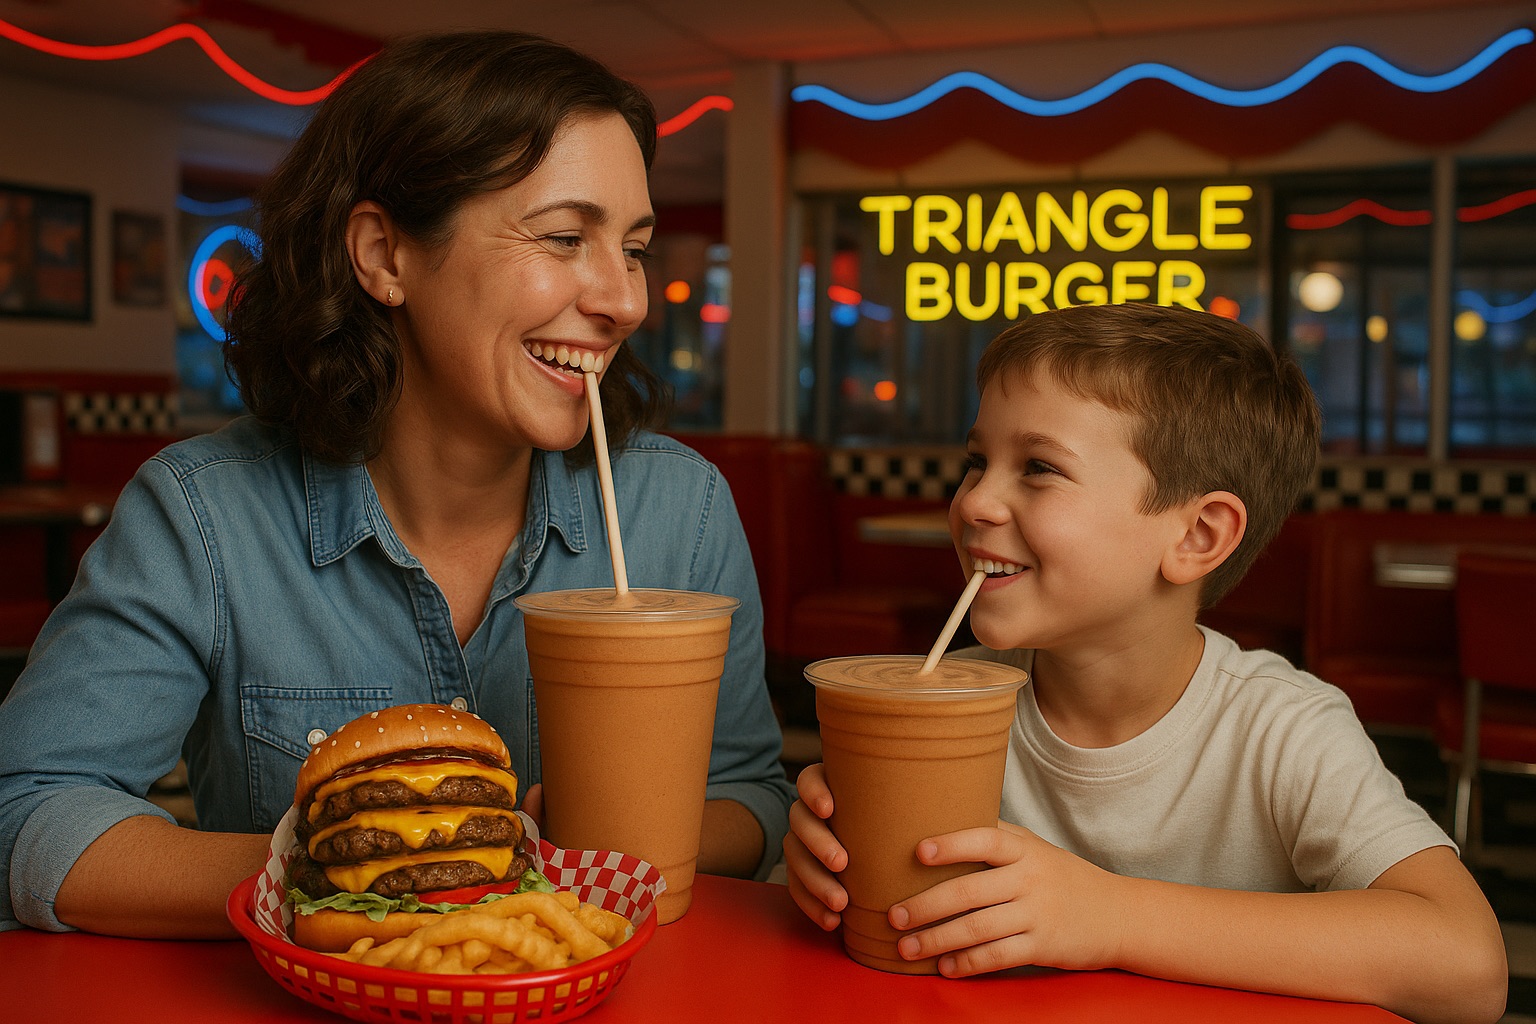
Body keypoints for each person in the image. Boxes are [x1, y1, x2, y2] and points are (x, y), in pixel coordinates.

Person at [0, 30, 794, 937]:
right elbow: (26, 810)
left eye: (636, 249)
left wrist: (578, 854)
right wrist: (352, 869)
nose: (625, 300)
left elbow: (748, 795)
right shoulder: (203, 518)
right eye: (566, 236)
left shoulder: (679, 512)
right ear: (384, 255)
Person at [784, 303, 1506, 1023]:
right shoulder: (946, 702)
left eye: (1037, 468)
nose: (974, 500)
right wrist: (831, 867)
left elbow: (1469, 967)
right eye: (977, 461)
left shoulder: (1280, 729)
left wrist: (1110, 917)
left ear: (1196, 534)